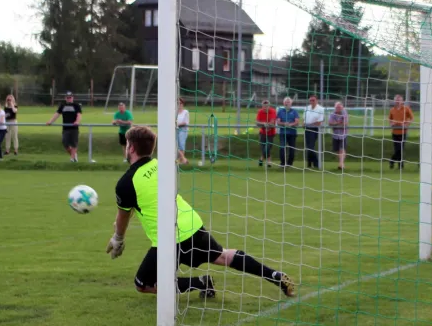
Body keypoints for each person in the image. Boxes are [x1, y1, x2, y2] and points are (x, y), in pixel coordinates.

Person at [106, 126, 295, 299]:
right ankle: (274, 275)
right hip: (192, 223)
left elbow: (123, 216)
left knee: (143, 284)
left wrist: (118, 238)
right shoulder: (163, 165)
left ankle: (200, 283)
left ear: (131, 148)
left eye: (126, 144)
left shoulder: (126, 182)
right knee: (222, 256)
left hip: (169, 237)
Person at [47, 91, 82, 162]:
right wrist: (50, 121)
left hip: (74, 128)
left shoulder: (76, 105)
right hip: (65, 128)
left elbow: (79, 115)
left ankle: (72, 159)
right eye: (67, 97)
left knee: (74, 143)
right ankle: (74, 155)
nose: (69, 99)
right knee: (65, 143)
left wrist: (77, 121)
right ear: (65, 98)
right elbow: (57, 114)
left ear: (73, 98)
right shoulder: (62, 105)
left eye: (70, 97)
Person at [388, 94, 413, 169]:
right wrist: (392, 123)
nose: (398, 102)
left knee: (400, 149)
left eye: (399, 100)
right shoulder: (392, 110)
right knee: (397, 149)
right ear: (394, 101)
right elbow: (390, 119)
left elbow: (411, 118)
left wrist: (406, 124)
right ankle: (400, 165)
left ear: (402, 101)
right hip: (395, 132)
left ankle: (393, 161)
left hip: (403, 132)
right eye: (396, 100)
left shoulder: (406, 109)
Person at [276, 96, 300, 168]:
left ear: (291, 103)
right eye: (286, 102)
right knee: (282, 148)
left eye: (288, 102)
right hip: (283, 133)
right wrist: (284, 124)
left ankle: (290, 164)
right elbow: (278, 122)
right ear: (283, 103)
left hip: (292, 133)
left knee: (292, 149)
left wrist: (290, 124)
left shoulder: (294, 111)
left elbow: (297, 122)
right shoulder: (280, 111)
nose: (287, 104)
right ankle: (283, 163)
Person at [303, 95, 324, 169]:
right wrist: (304, 124)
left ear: (316, 100)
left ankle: (316, 163)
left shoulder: (321, 109)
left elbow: (319, 122)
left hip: (314, 129)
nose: (311, 102)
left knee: (310, 147)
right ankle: (309, 163)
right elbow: (304, 120)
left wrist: (308, 124)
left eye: (313, 100)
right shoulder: (306, 108)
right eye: (310, 100)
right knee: (308, 147)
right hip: (307, 129)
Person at [256, 99, 277, 167]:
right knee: (263, 148)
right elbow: (257, 122)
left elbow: (273, 121)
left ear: (269, 106)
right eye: (264, 106)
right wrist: (264, 124)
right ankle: (268, 161)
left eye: (267, 106)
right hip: (262, 133)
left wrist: (269, 126)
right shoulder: (260, 111)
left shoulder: (273, 111)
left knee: (267, 148)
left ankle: (262, 158)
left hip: (271, 133)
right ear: (262, 106)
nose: (265, 107)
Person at [328, 102, 349, 170]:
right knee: (337, 150)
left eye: (339, 107)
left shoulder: (344, 113)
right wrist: (338, 123)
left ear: (342, 108)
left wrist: (336, 124)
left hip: (343, 134)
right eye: (337, 107)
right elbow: (330, 123)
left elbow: (345, 123)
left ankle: (341, 164)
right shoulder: (332, 113)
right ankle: (341, 164)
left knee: (342, 149)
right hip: (335, 134)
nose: (338, 109)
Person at [176, 97, 190, 164]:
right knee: (176, 145)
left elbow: (185, 122)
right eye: (177, 103)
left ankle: (181, 159)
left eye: (180, 103)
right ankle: (183, 159)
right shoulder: (175, 112)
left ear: (182, 104)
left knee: (181, 144)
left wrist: (177, 124)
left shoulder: (185, 112)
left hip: (183, 129)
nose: (179, 105)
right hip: (176, 129)